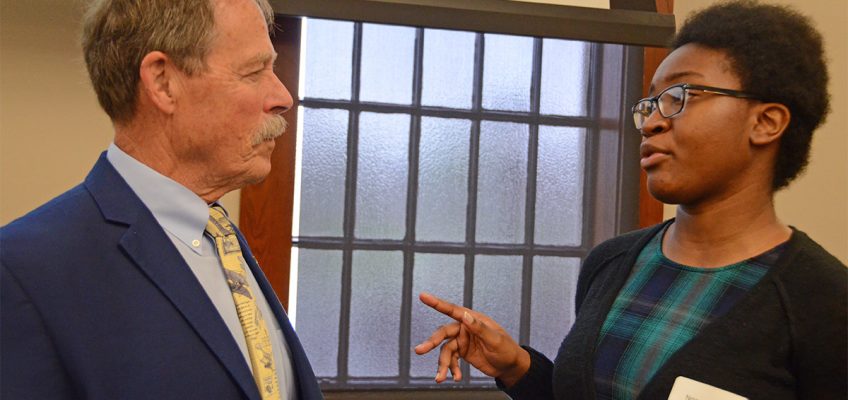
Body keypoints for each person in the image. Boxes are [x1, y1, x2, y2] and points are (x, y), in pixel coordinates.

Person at [414, 1, 847, 399]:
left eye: (680, 97)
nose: (651, 122)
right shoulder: (612, 261)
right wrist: (517, 368)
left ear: (766, 122)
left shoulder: (826, 301)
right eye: (650, 103)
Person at [0, 0, 324, 399]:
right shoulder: (22, 271)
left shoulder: (222, 241)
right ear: (163, 82)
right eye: (254, 72)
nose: (282, 96)